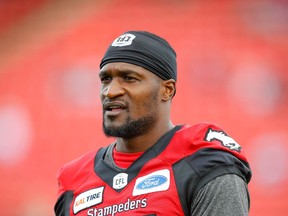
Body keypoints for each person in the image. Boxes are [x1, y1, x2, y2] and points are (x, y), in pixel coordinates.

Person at [54, 30, 252, 216]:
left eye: (129, 78)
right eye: (106, 79)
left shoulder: (202, 161)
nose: (110, 91)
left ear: (166, 90)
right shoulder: (74, 179)